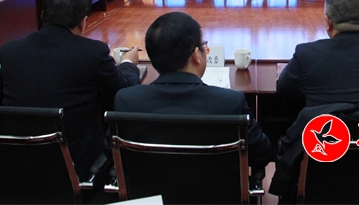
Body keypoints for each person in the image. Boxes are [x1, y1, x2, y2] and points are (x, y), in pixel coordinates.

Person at [0, 0, 140, 179]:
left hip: (19, 161)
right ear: (84, 21)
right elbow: (123, 91)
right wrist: (128, 63)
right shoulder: (92, 53)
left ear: (42, 14)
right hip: (78, 164)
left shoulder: (9, 51)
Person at [114, 12, 272, 169]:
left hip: (149, 186)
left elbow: (112, 151)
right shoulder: (231, 103)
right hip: (214, 186)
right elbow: (262, 153)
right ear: (196, 55)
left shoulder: (126, 102)